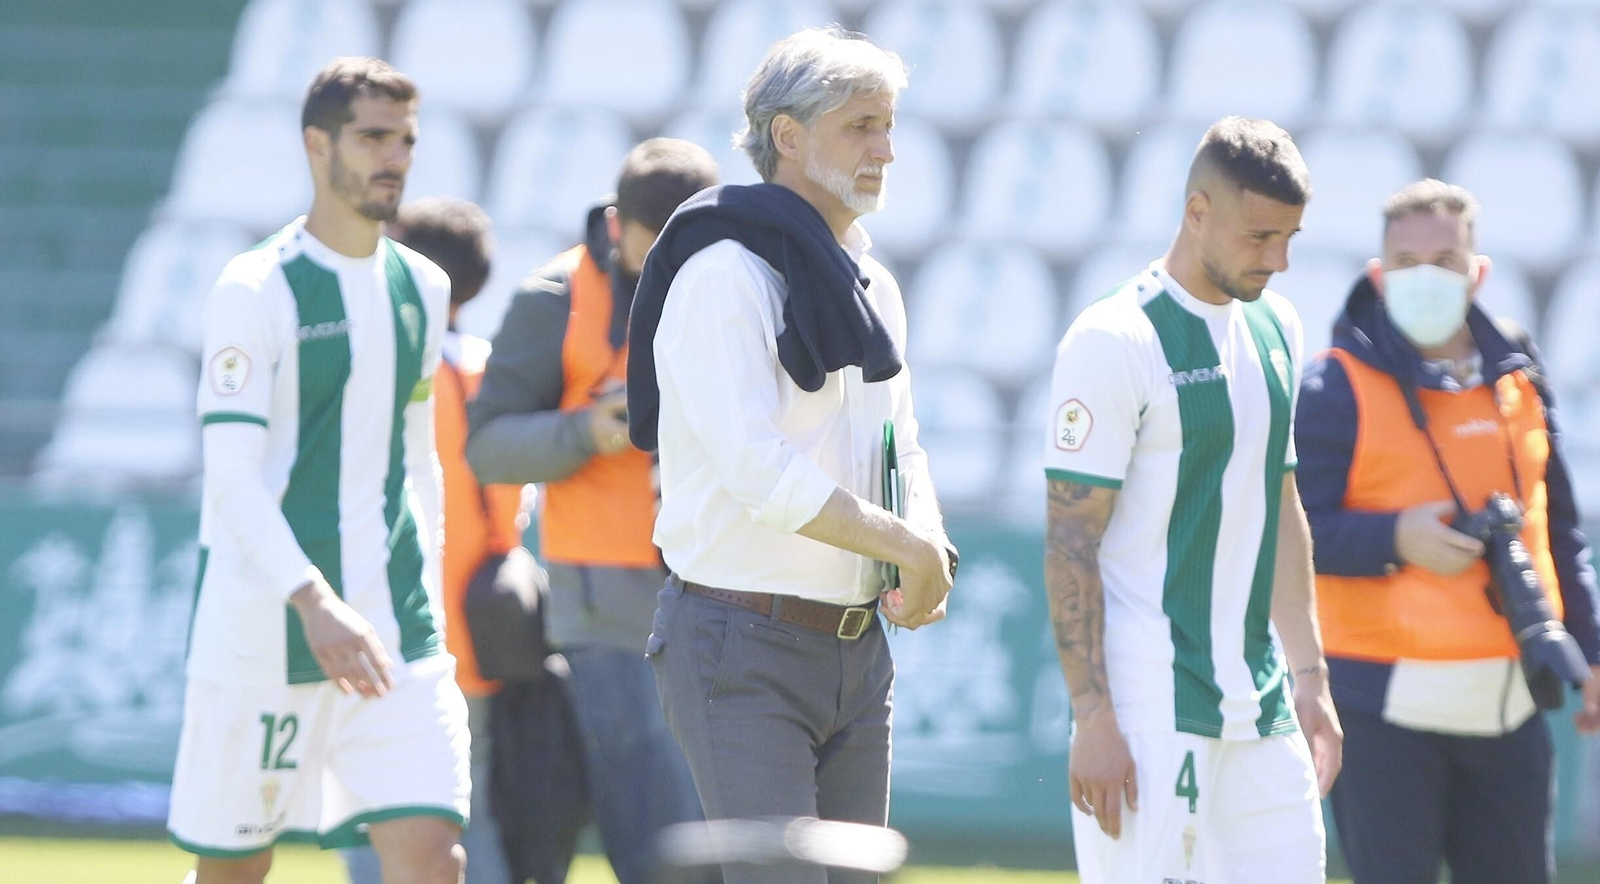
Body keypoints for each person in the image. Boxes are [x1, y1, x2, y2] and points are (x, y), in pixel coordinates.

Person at [626, 26, 956, 884]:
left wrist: (929, 539)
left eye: (888, 124)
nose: (885, 148)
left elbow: (899, 442)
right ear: (788, 136)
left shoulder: (871, 281)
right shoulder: (723, 275)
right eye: (860, 126)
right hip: (742, 639)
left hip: (856, 647)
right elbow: (759, 474)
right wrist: (904, 547)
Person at [168, 57, 469, 884]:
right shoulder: (253, 288)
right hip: (267, 630)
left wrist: (427, 599)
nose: (395, 158)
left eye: (405, 139)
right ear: (316, 144)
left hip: (395, 631)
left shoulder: (424, 285)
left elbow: (417, 457)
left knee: (434, 861)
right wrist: (312, 598)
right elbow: (229, 477)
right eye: (373, 136)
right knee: (236, 869)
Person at [1042, 117, 1341, 884]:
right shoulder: (1114, 337)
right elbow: (1071, 541)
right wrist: (1094, 717)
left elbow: (1280, 503)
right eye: (1260, 236)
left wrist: (1311, 677)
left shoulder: (1278, 326)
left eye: (1290, 238)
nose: (1277, 259)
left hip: (1263, 695)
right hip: (1151, 699)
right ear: (1197, 210)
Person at [1295, 179, 1600, 884]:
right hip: (1379, 710)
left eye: (1445, 260)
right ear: (1378, 274)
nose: (1424, 278)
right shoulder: (1331, 386)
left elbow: (1557, 529)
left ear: (1478, 272)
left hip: (1511, 702)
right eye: (1405, 262)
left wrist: (1589, 651)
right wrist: (1394, 538)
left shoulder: (1519, 376)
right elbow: (1291, 536)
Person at [464, 138, 719, 883]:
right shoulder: (555, 298)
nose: (678, 259)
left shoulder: (728, 281)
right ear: (619, 223)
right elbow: (489, 447)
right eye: (660, 243)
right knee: (652, 819)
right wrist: (587, 429)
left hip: (721, 586)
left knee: (717, 815)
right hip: (606, 603)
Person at [338, 197, 521, 884]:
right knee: (473, 821)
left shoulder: (391, 369)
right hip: (483, 627)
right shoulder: (496, 369)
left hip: (391, 632)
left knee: (373, 817)